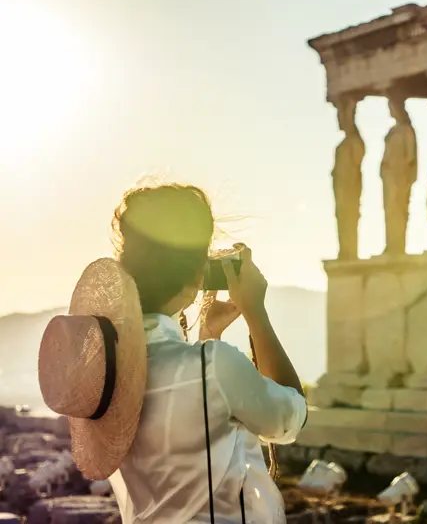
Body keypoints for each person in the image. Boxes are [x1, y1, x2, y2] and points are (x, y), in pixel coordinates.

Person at [39, 183, 308, 523]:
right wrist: (256, 312)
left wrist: (207, 336)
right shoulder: (214, 367)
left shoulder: (103, 374)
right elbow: (290, 418)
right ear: (196, 278)